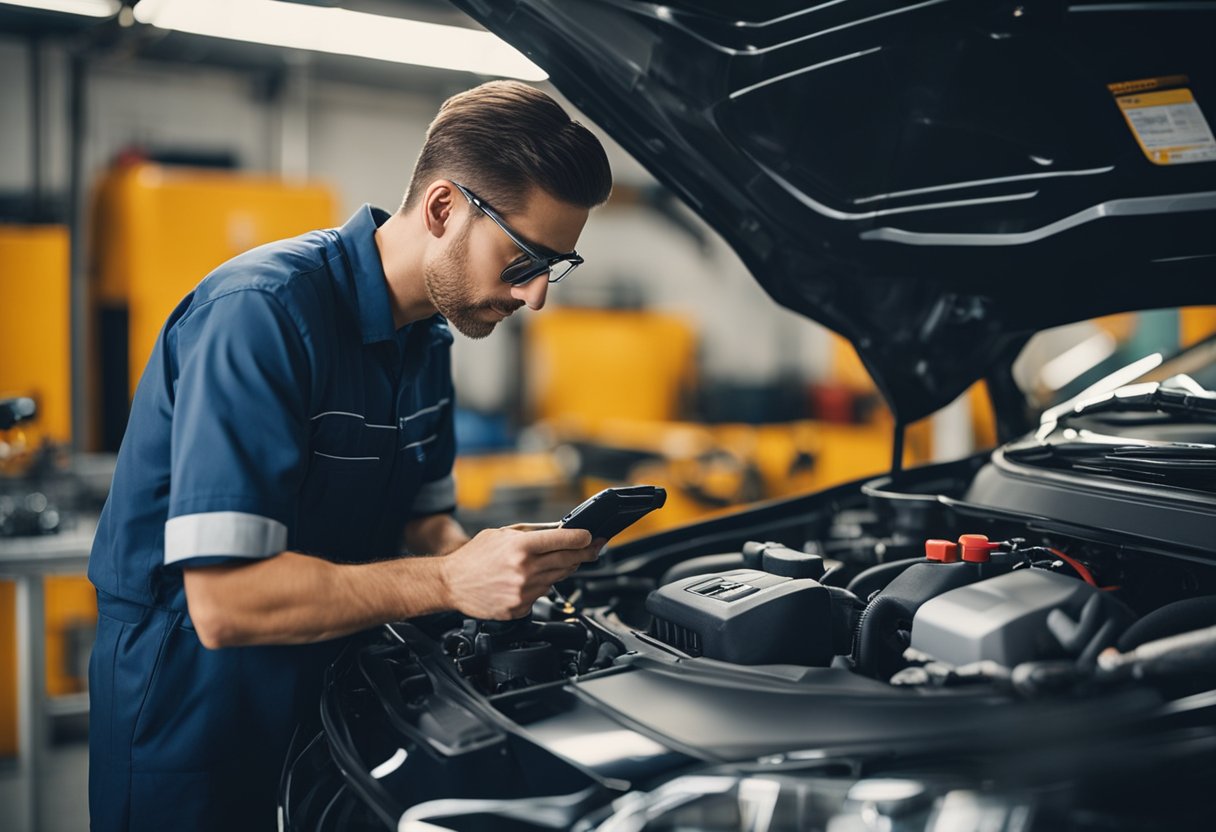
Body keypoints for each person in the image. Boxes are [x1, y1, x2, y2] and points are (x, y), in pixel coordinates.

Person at [87, 80, 613, 831]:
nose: (535, 299)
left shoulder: (427, 338)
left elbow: (426, 526)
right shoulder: (260, 316)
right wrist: (450, 579)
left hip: (334, 704)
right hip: (194, 720)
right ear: (442, 209)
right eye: (524, 258)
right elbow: (226, 601)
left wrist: (503, 567)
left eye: (555, 267)